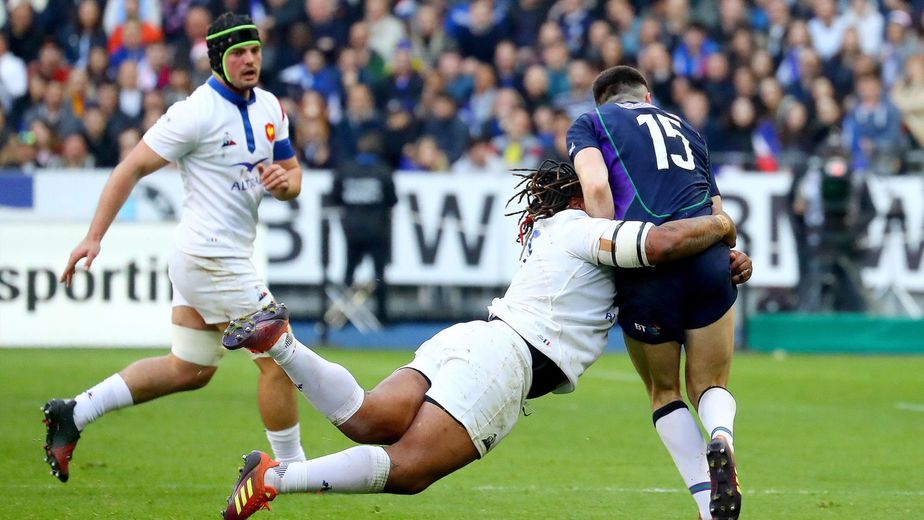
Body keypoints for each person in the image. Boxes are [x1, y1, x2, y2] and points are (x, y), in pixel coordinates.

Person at [216, 160, 752, 520]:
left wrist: (716, 263)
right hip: (510, 361)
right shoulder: (582, 228)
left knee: (370, 418)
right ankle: (275, 477)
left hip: (477, 337)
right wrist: (722, 226)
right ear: (580, 194)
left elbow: (654, 270)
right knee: (407, 470)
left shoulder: (556, 231)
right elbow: (657, 244)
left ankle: (281, 343)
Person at [42, 12, 307, 483]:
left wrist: (283, 183)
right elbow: (130, 169)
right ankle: (294, 473)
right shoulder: (194, 113)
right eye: (237, 53)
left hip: (214, 259)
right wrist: (94, 236)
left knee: (190, 368)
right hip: (211, 260)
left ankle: (74, 413)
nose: (249, 61)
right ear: (217, 60)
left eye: (254, 51)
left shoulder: (270, 106)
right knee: (280, 359)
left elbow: (292, 177)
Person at [566, 66, 744, 520]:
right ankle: (721, 436)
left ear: (603, 100)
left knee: (664, 392)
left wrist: (606, 249)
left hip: (646, 263)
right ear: (647, 97)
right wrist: (735, 255)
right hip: (707, 260)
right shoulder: (689, 130)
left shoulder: (592, 122)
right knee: (711, 384)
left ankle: (708, 508)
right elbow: (717, 212)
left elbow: (597, 186)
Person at [328, 132, 398, 323]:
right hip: (377, 229)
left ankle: (342, 315)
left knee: (349, 271)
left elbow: (334, 196)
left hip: (351, 228)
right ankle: (382, 316)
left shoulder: (345, 169)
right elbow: (392, 199)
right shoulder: (383, 170)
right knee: (379, 273)